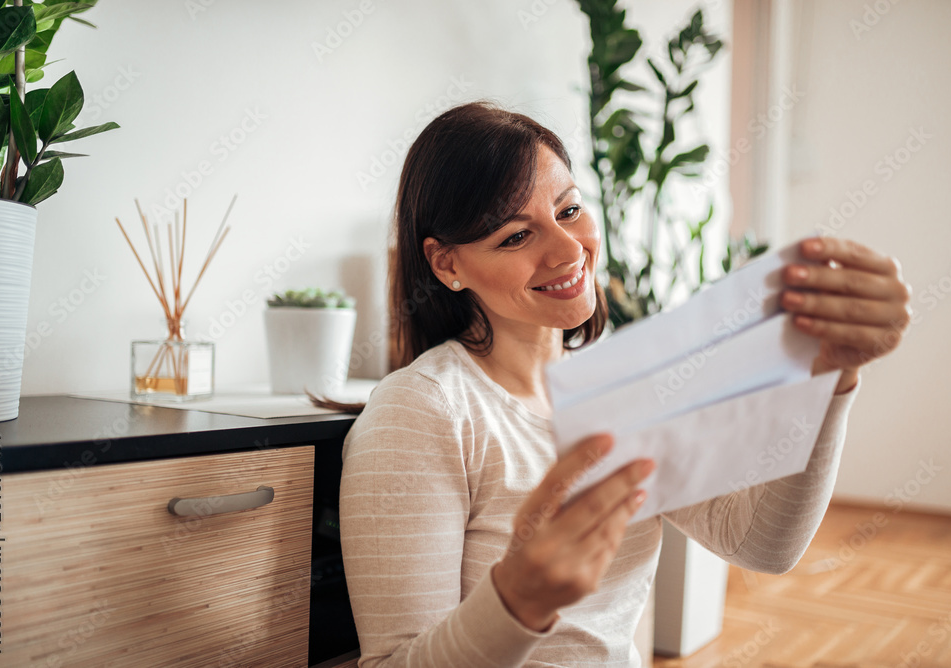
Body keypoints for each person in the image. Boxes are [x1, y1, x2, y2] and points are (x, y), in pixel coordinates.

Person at [338, 102, 911, 667]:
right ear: (447, 265)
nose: (569, 251)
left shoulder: (627, 389)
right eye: (515, 237)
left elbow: (762, 544)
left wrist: (831, 376)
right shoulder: (422, 410)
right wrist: (518, 600)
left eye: (568, 211)